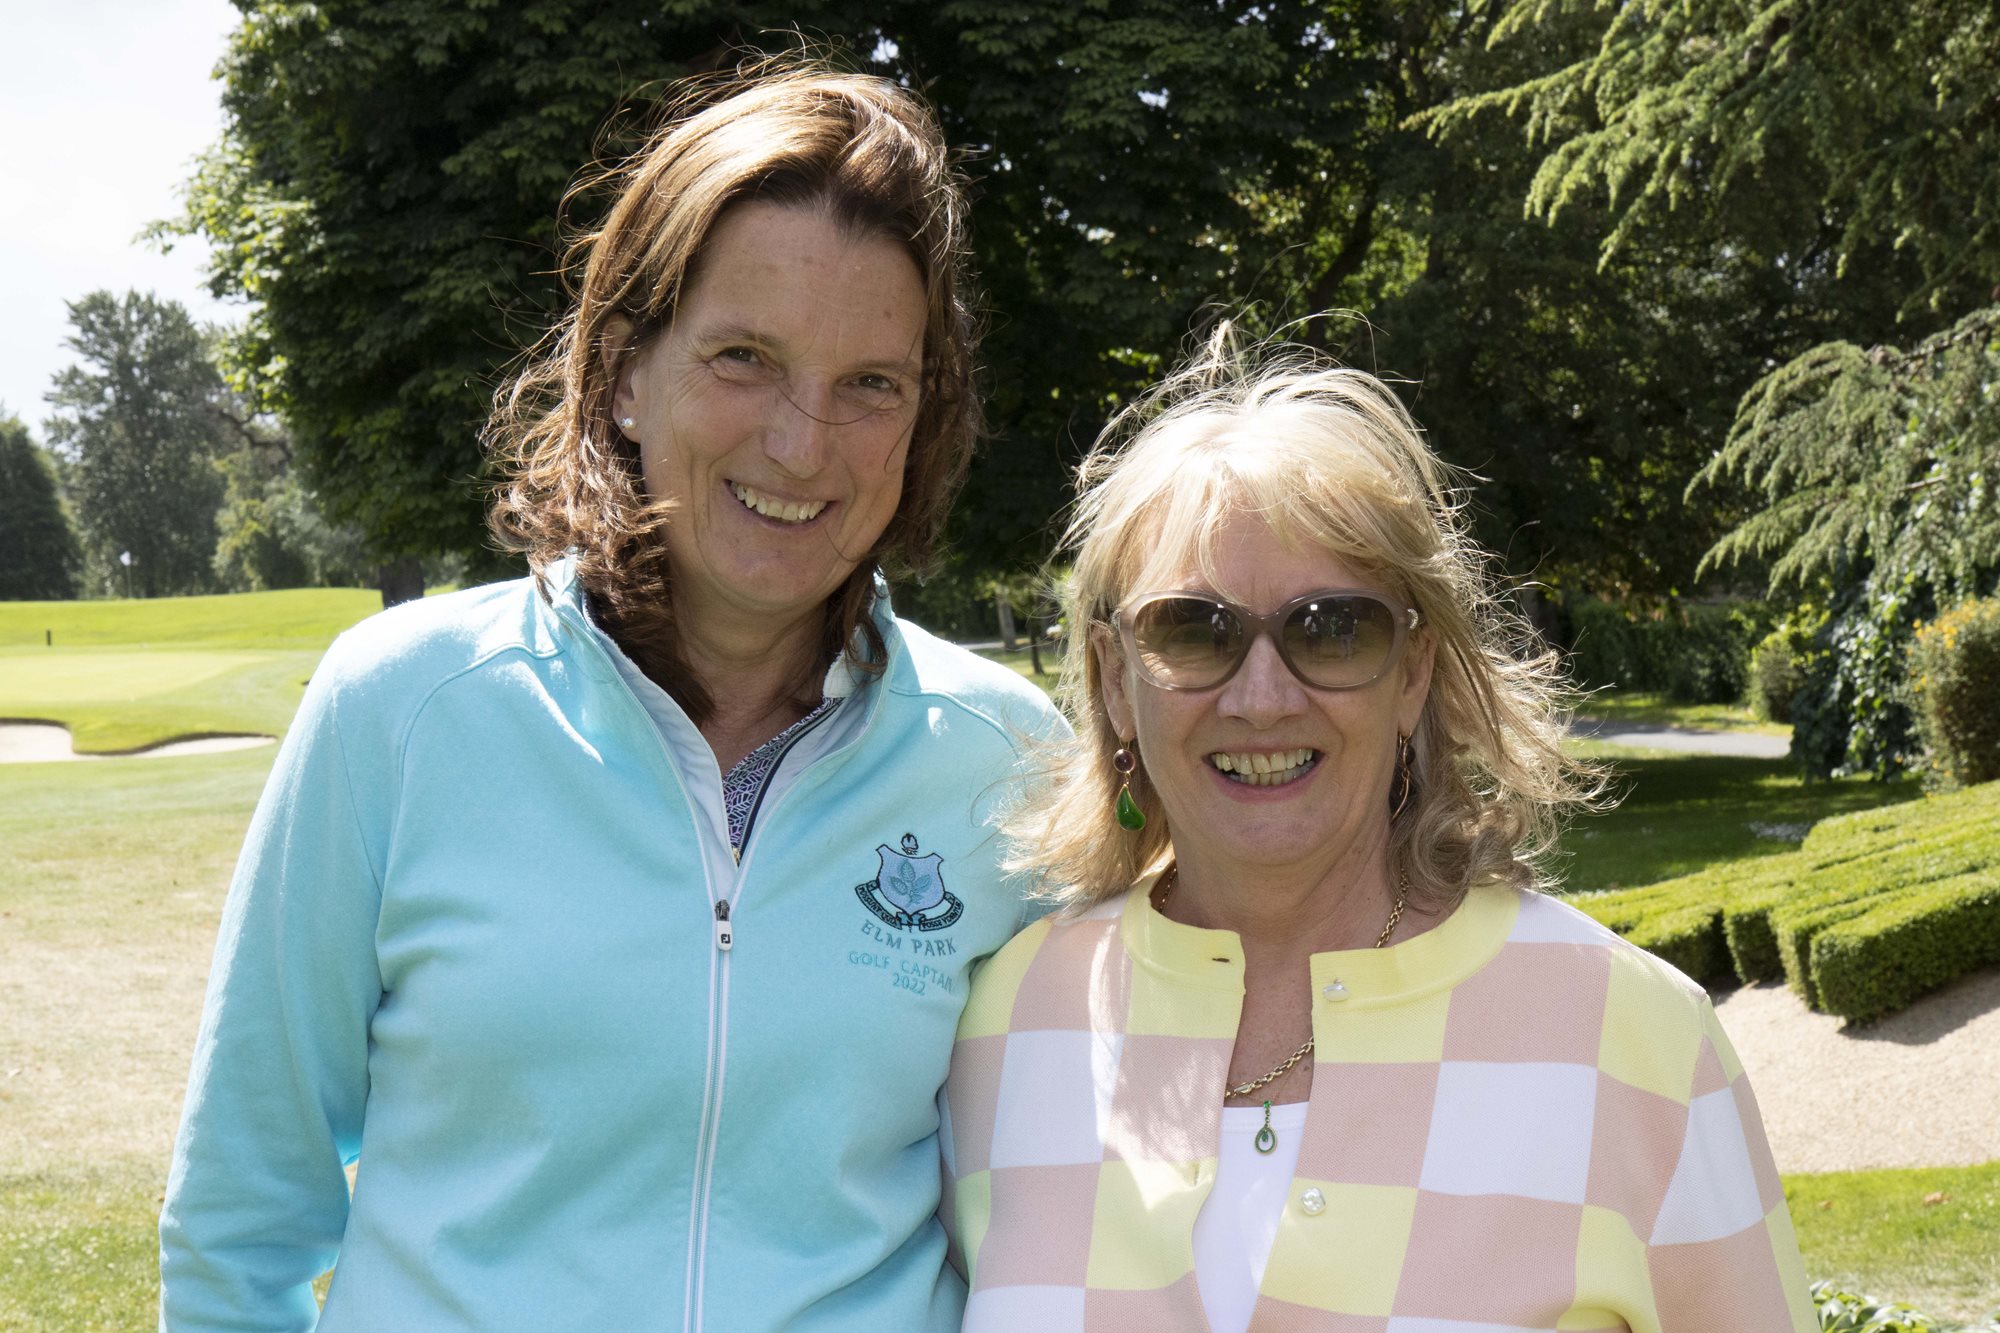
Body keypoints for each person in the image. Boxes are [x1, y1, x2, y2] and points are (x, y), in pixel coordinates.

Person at [159, 62, 1059, 1331]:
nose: (801, 441)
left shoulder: (1008, 761)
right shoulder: (401, 710)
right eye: (744, 357)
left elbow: (1062, 1214)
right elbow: (239, 1223)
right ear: (627, 374)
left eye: (871, 383)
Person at [941, 331, 1815, 1332]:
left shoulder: (1637, 1039)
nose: (1261, 697)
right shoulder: (1010, 1020)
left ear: (1413, 673)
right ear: (1113, 680)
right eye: (1192, 628)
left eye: (1332, 628)